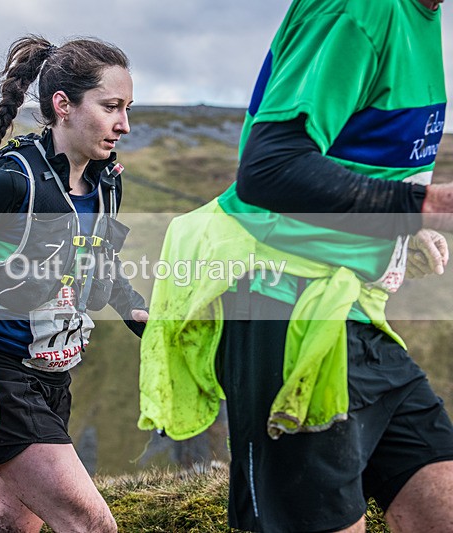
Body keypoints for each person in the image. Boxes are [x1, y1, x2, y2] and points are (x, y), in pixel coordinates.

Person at [139, 0, 453, 531]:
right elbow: (270, 167)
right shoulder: (358, 9)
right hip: (281, 309)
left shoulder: (419, 16)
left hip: (351, 309)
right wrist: (421, 206)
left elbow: (356, 153)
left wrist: (398, 227)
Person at [0, 35, 148, 532]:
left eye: (127, 108)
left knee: (10, 528)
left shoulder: (108, 182)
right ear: (63, 105)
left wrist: (136, 312)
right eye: (111, 107)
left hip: (55, 378)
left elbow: (98, 261)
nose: (123, 125)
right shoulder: (10, 179)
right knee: (92, 525)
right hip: (0, 380)